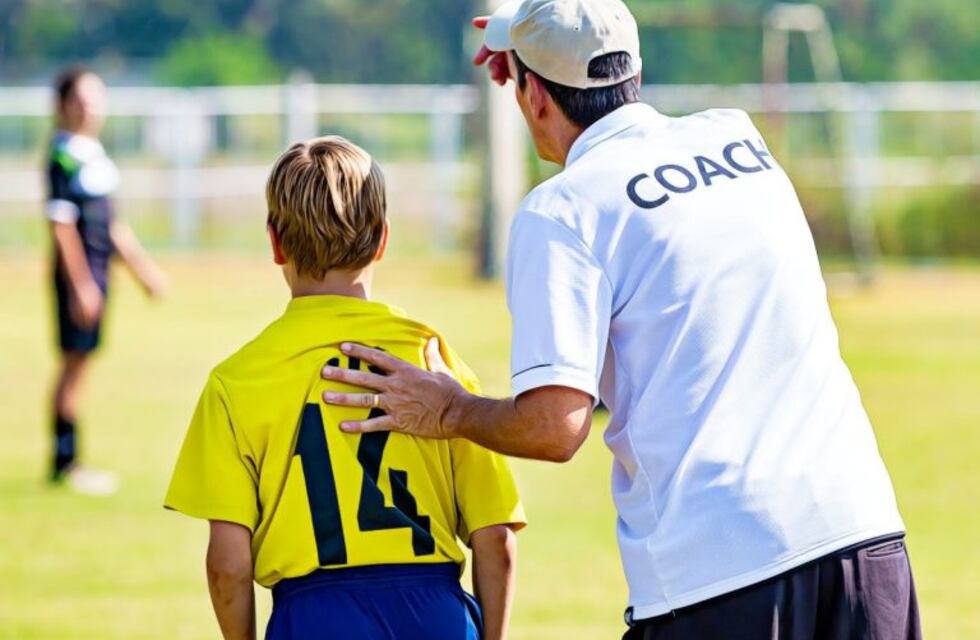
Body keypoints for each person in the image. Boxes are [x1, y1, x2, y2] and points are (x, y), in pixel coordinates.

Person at [319, 1, 921, 639]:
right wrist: (532, 68)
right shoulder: (737, 137)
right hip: (863, 535)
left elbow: (555, 428)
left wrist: (448, 409)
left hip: (721, 575)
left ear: (536, 98)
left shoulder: (562, 211)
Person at [164, 136, 525, 640]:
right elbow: (496, 542)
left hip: (314, 617)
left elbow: (227, 567)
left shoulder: (235, 381)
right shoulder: (435, 365)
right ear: (383, 239)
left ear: (275, 242)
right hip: (435, 615)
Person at [47, 66, 166, 496]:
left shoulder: (94, 153)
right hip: (80, 277)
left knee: (83, 362)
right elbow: (61, 227)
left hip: (100, 275)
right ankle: (65, 461)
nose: (90, 107)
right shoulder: (61, 154)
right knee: (74, 364)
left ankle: (69, 460)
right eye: (80, 99)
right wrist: (80, 283)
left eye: (96, 98)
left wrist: (142, 272)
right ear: (63, 106)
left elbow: (111, 224)